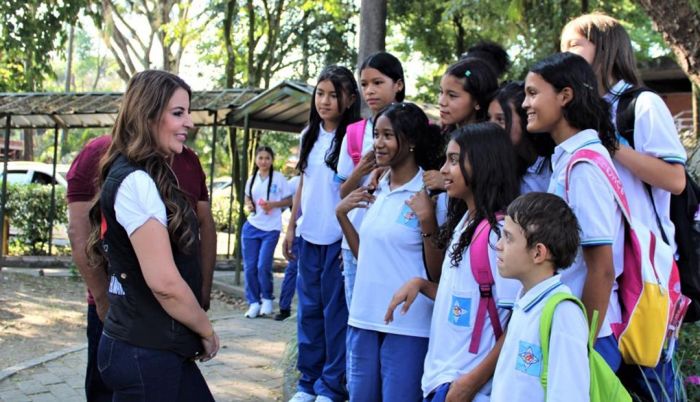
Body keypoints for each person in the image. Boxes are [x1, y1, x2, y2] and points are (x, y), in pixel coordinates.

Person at [561, 13, 687, 399]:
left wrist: (613, 145)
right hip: (601, 261)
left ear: (606, 48)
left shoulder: (640, 104)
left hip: (641, 270)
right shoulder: (580, 109)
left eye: (574, 45)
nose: (566, 54)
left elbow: (675, 179)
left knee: (651, 381)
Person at [86, 70, 218, 400]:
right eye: (178, 113)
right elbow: (164, 283)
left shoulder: (144, 175)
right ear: (147, 115)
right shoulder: (135, 182)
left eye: (188, 112)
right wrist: (205, 328)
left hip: (153, 348)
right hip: (144, 353)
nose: (189, 122)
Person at [385, 122, 521, 402]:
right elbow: (469, 297)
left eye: (454, 160)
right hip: (442, 380)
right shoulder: (466, 224)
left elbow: (517, 322)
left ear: (485, 164)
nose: (444, 169)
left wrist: (471, 383)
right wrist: (422, 284)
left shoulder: (499, 235)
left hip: (466, 386)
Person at [336, 103, 444, 401]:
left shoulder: (430, 192)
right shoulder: (377, 186)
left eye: (388, 135)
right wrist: (342, 217)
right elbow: (366, 257)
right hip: (363, 317)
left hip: (408, 324)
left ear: (409, 142)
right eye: (376, 134)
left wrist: (427, 220)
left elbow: (437, 271)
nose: (378, 143)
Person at [523, 51, 624, 368]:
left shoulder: (583, 167)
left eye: (533, 93)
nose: (525, 104)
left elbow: (601, 268)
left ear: (565, 96)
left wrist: (582, 349)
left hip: (588, 333)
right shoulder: (570, 159)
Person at [282, 65, 361, 402]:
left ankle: (331, 387)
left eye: (333, 94)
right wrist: (291, 226)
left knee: (335, 316)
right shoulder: (308, 135)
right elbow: (304, 182)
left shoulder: (356, 136)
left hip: (339, 239)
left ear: (348, 99)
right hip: (308, 236)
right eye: (320, 93)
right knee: (308, 314)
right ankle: (308, 383)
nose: (325, 101)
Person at [490, 192, 588, 402]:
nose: (498, 245)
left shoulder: (563, 314)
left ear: (538, 253)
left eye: (508, 237)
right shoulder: (525, 303)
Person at [336, 51, 405, 307]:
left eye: (378, 83)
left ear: (398, 85)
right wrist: (362, 169)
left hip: (396, 242)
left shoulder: (415, 128)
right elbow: (343, 193)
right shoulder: (354, 133)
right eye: (364, 85)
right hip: (355, 239)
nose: (370, 91)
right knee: (357, 315)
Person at [242, 145, 292, 318]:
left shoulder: (278, 178)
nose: (263, 161)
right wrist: (249, 204)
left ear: (272, 160)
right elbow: (247, 196)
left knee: (263, 265)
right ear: (256, 160)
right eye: (260, 158)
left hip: (271, 228)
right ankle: (254, 302)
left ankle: (267, 299)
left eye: (267, 158)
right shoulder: (252, 178)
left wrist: (274, 204)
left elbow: (289, 199)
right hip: (252, 226)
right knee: (249, 267)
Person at [488, 81, 555, 193]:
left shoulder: (553, 166)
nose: (491, 127)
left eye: (501, 120)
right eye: (489, 118)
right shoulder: (495, 168)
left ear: (525, 119)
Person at [275, 173, 301, 321]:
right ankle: (284, 307)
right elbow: (283, 203)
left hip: (320, 235)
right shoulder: (294, 182)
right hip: (298, 232)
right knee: (292, 270)